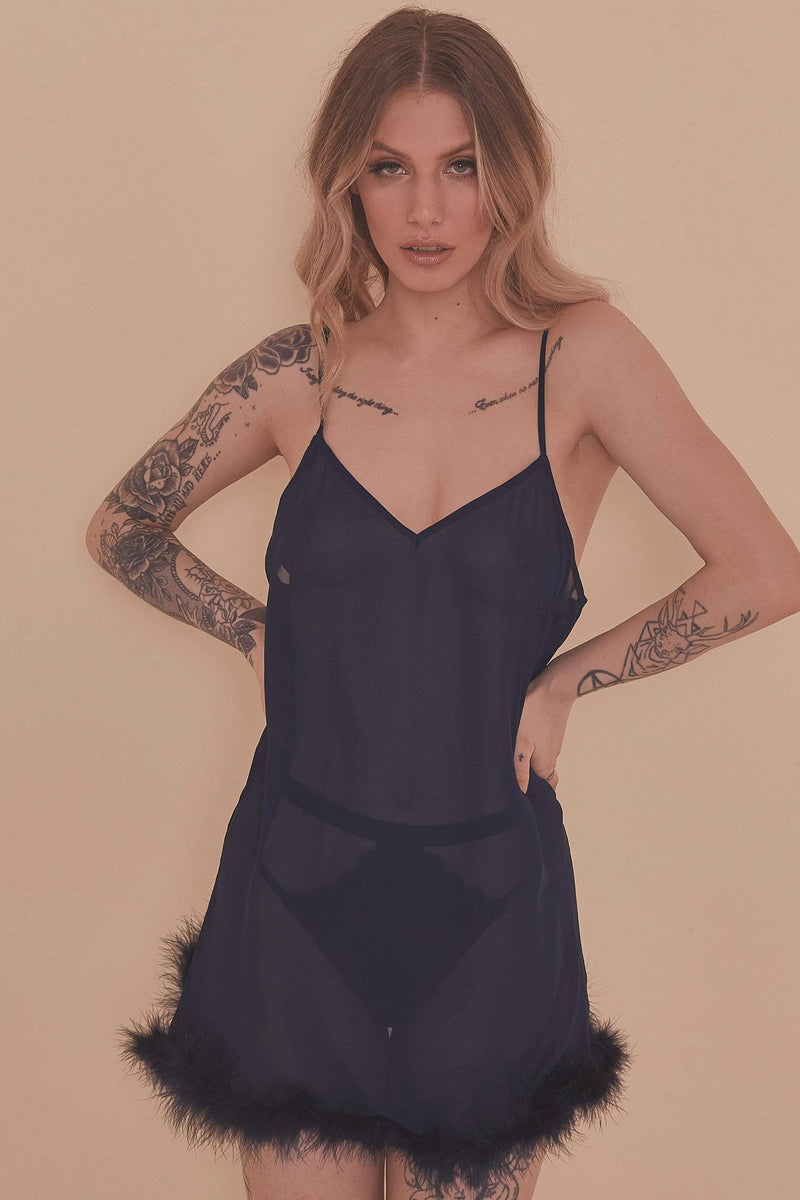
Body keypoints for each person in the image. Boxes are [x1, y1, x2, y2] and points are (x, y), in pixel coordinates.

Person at [85, 8, 800, 1200]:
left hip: (488, 903)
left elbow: (763, 570)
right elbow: (122, 526)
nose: (425, 210)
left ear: (508, 177)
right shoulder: (296, 372)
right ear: (345, 185)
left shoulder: (582, 358)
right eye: (389, 168)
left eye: (459, 167)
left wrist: (566, 679)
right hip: (291, 889)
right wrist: (251, 626)